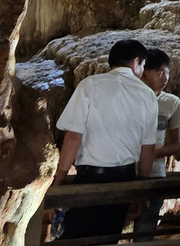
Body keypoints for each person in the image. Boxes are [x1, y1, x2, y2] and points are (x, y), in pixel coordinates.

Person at [54, 38, 159, 243]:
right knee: (108, 239)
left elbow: (74, 136)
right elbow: (148, 149)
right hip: (125, 179)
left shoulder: (90, 85)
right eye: (143, 66)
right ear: (136, 62)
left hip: (91, 178)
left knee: (75, 239)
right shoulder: (148, 95)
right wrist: (139, 190)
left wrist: (60, 177)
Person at [132, 48, 180, 241]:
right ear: (145, 73)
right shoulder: (130, 98)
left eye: (167, 72)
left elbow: (177, 144)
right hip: (124, 172)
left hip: (154, 175)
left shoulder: (172, 103)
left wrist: (151, 154)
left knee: (144, 233)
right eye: (159, 72)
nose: (165, 78)